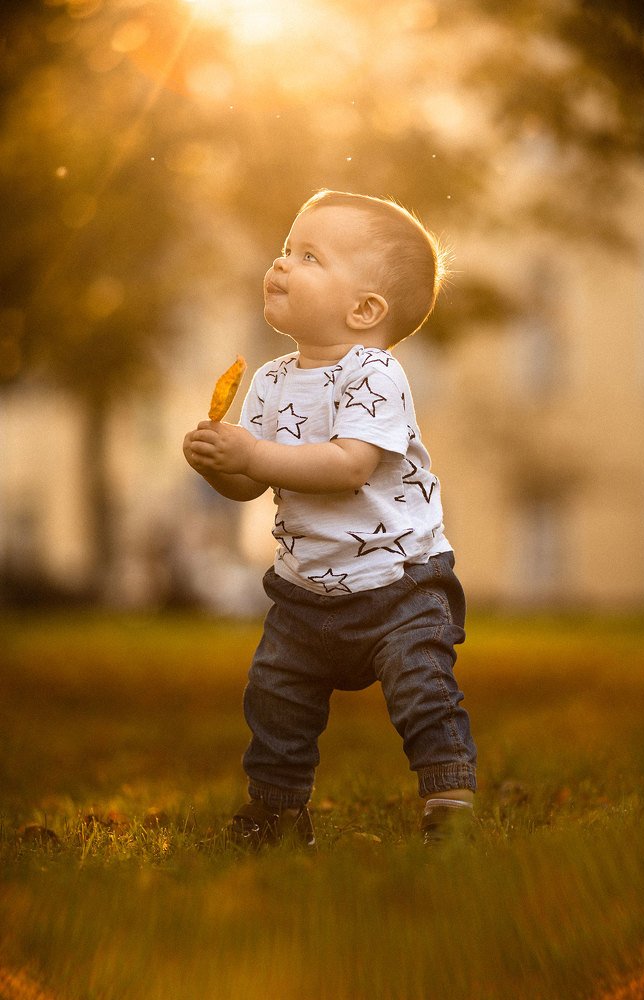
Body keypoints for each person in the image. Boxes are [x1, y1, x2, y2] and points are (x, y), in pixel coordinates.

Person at [183, 189, 477, 848]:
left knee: (422, 689)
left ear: (364, 309)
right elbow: (252, 483)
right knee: (275, 698)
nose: (282, 264)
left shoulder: (374, 373)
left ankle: (449, 801)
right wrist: (220, 465)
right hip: (304, 589)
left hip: (398, 584)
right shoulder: (270, 380)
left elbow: (349, 466)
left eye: (309, 256)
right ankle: (278, 812)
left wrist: (253, 452)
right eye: (286, 249)